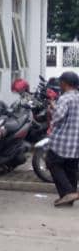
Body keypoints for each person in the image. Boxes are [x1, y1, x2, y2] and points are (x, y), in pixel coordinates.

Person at [47, 71, 79, 206]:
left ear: (65, 83)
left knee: (52, 163)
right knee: (71, 168)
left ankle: (69, 192)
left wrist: (52, 108)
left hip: (63, 141)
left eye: (60, 82)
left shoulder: (65, 98)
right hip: (76, 141)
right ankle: (68, 199)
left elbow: (58, 117)